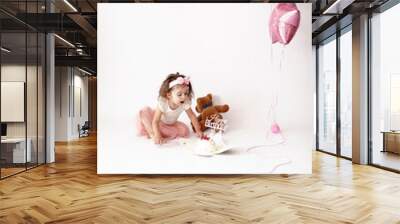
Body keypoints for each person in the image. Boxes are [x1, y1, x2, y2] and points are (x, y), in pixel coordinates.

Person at [137, 72, 203, 144]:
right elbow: (155, 121)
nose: (184, 97)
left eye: (186, 93)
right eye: (179, 94)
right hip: (158, 122)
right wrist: (157, 135)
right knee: (145, 113)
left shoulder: (185, 102)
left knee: (184, 130)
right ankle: (152, 133)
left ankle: (164, 132)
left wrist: (198, 130)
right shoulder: (163, 103)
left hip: (171, 124)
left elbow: (192, 116)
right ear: (169, 95)